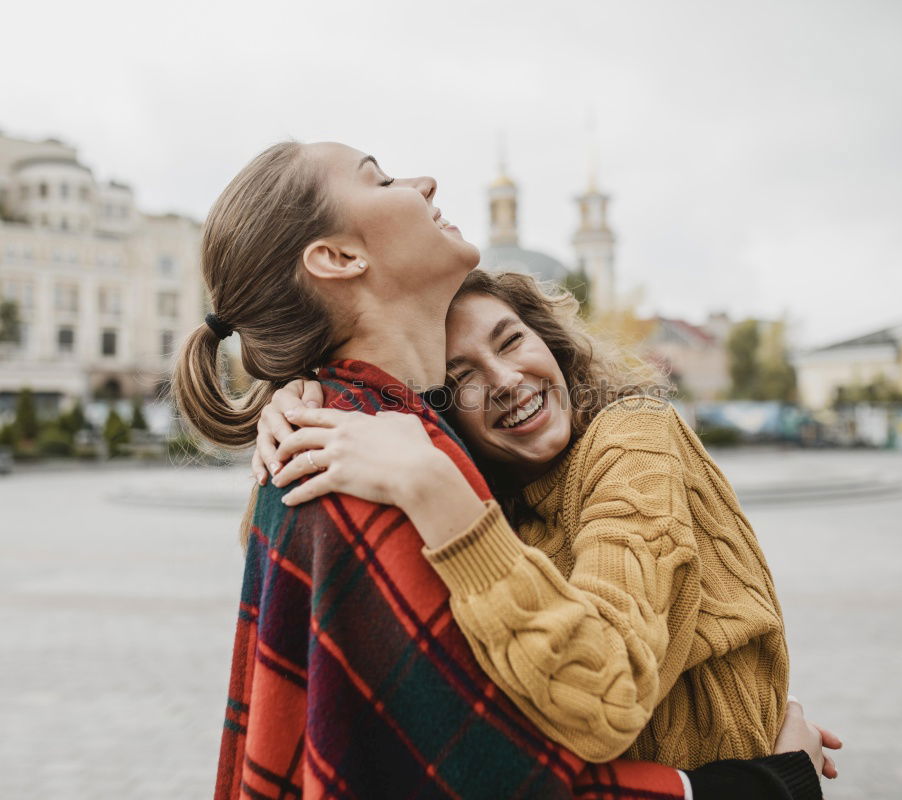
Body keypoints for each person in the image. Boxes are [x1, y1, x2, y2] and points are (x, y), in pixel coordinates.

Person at [173, 140, 837, 800]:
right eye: (380, 179)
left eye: (512, 339)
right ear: (339, 257)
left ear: (547, 338)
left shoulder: (607, 437)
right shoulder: (377, 453)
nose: (426, 181)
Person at [255, 269, 792, 770]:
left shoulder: (635, 435)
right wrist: (303, 405)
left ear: (548, 341)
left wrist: (433, 487)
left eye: (511, 341)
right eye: (461, 375)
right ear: (442, 410)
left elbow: (606, 695)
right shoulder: (503, 508)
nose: (507, 380)